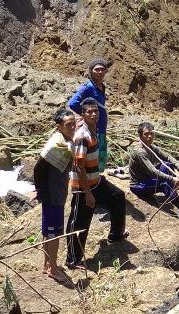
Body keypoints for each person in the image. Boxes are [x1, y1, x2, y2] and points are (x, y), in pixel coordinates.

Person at [65, 98, 128, 270]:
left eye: (96, 111)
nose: (93, 114)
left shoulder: (94, 131)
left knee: (117, 196)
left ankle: (115, 235)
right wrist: (88, 194)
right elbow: (79, 166)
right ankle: (73, 259)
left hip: (96, 180)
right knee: (79, 223)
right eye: (89, 112)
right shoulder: (82, 136)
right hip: (83, 187)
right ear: (83, 115)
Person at [34, 108, 76, 284]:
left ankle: (47, 264)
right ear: (59, 126)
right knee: (54, 234)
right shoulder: (55, 145)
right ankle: (53, 268)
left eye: (74, 123)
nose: (73, 127)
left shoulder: (64, 141)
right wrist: (40, 191)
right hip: (53, 194)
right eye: (68, 125)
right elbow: (38, 168)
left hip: (56, 192)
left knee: (48, 232)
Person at [129, 122, 179, 223]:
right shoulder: (139, 152)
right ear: (140, 135)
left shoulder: (151, 147)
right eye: (146, 134)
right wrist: (173, 178)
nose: (149, 137)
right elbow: (153, 171)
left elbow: (167, 157)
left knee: (167, 165)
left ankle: (173, 195)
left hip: (149, 179)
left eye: (151, 134)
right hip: (139, 186)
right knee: (165, 183)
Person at [68, 58, 109, 173]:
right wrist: (85, 117)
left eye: (102, 69)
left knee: (97, 156)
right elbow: (72, 103)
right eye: (97, 69)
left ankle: (96, 179)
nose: (100, 72)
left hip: (100, 128)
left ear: (105, 71)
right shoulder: (88, 86)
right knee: (89, 156)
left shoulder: (101, 87)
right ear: (91, 71)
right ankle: (87, 181)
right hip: (92, 128)